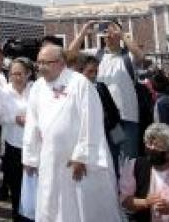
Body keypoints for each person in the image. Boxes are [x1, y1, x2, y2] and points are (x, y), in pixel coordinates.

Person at [22, 44, 119, 222]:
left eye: (45, 63)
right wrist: (30, 156)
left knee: (78, 207)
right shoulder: (37, 87)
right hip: (50, 158)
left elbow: (91, 120)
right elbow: (32, 124)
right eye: (39, 63)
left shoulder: (80, 83)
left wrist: (82, 156)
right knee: (50, 203)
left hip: (75, 160)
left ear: (60, 63)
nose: (41, 67)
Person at [70, 19, 145, 161]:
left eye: (113, 31)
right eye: (106, 32)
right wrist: (82, 33)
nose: (109, 35)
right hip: (102, 118)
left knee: (128, 160)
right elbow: (69, 55)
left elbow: (140, 56)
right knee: (108, 159)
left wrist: (123, 35)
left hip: (126, 118)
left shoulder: (127, 57)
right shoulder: (96, 55)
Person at [0, 57, 34, 221]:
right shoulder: (2, 91)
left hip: (34, 146)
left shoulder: (36, 89)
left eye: (20, 74)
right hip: (12, 147)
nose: (16, 77)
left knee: (35, 189)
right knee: (17, 190)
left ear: (28, 74)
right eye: (13, 74)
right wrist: (15, 119)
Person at [75, 54, 123, 172]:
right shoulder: (75, 91)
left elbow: (113, 110)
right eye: (90, 71)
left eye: (96, 71)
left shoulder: (101, 87)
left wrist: (117, 131)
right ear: (80, 71)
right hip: (89, 137)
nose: (94, 75)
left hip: (109, 132)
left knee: (113, 163)